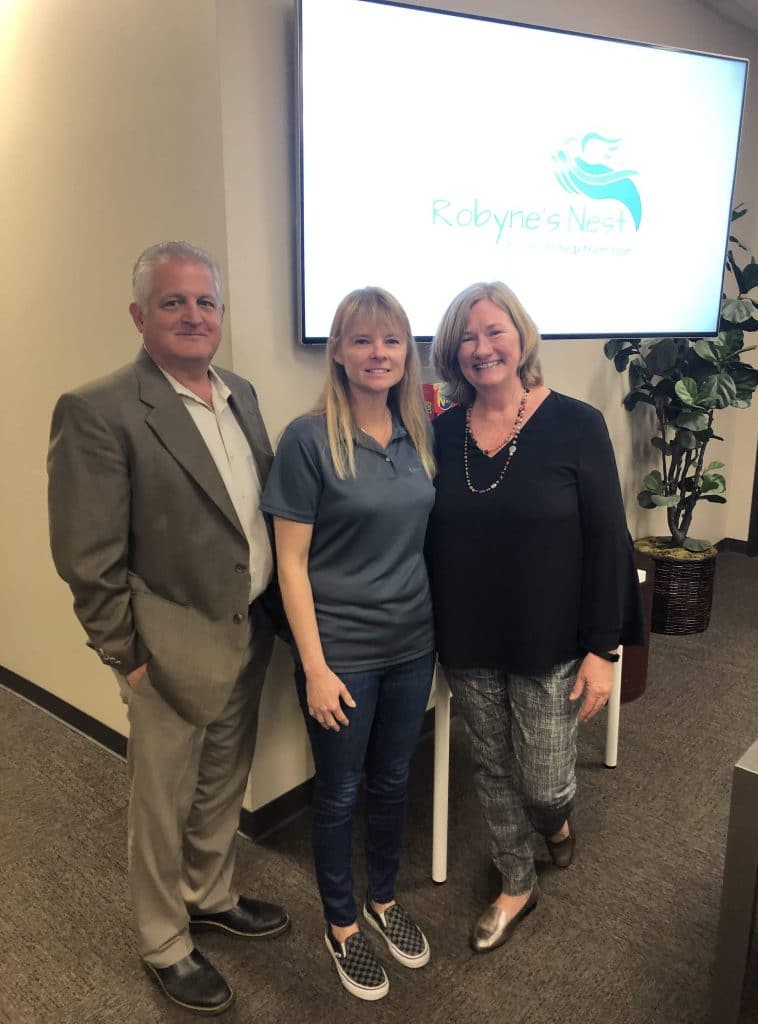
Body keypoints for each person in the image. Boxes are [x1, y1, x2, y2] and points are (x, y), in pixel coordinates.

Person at [47, 241, 289, 1015]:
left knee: (223, 778)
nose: (193, 315)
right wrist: (126, 657)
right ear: (139, 315)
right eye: (173, 302)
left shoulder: (241, 393)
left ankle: (209, 893)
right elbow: (87, 556)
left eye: (205, 302)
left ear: (221, 313)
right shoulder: (99, 409)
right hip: (165, 647)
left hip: (246, 628)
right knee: (161, 799)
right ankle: (163, 940)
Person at [428, 281, 643, 953]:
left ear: (521, 338)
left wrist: (603, 650)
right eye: (466, 337)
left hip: (551, 638)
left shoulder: (576, 423)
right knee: (492, 767)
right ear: (452, 352)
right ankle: (517, 882)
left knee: (545, 783)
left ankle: (556, 824)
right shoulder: (439, 433)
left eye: (495, 331)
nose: (481, 347)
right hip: (467, 633)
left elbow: (608, 539)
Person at [261, 287, 435, 1001]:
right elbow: (290, 564)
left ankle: (383, 900)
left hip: (413, 643)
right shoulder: (308, 439)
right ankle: (341, 924)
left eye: (391, 340)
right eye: (362, 340)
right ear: (337, 351)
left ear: (407, 353)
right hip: (342, 654)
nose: (378, 353)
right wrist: (314, 668)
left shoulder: (419, 433)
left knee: (393, 781)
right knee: (337, 793)